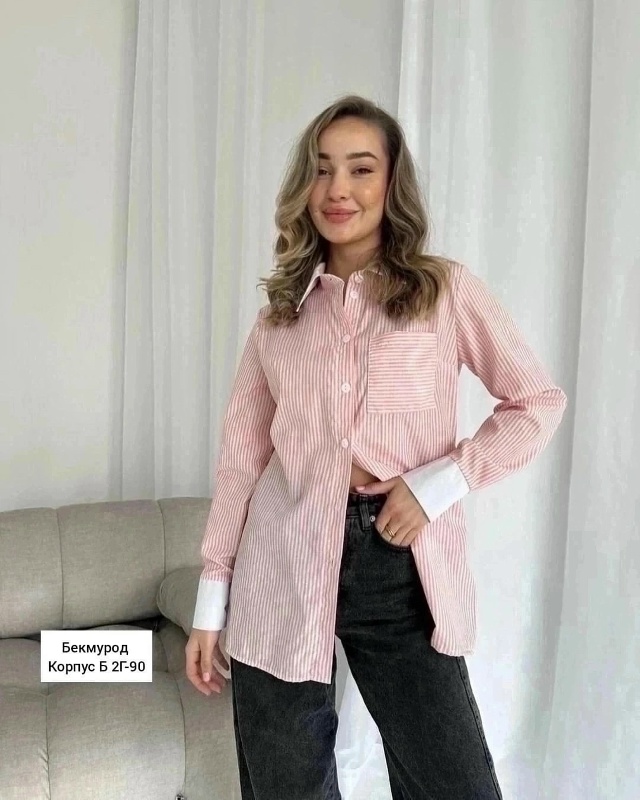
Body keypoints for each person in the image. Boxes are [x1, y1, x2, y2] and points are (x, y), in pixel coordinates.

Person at [185, 94, 567, 799]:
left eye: (361, 169)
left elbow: (537, 402)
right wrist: (212, 602)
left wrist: (438, 484)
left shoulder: (444, 291)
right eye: (322, 169)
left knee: (455, 784)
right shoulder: (279, 318)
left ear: (392, 183)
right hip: (282, 556)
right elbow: (242, 460)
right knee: (286, 787)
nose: (338, 189)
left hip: (398, 559)